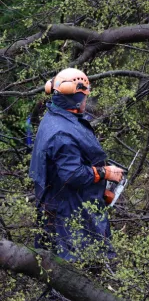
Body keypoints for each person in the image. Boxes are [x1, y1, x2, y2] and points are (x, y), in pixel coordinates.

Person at [29, 68, 123, 263]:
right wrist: (105, 173)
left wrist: (99, 188)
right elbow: (73, 175)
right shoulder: (62, 134)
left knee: (55, 265)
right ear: (77, 97)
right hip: (70, 216)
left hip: (61, 205)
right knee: (80, 268)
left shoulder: (56, 117)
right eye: (85, 96)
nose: (86, 101)